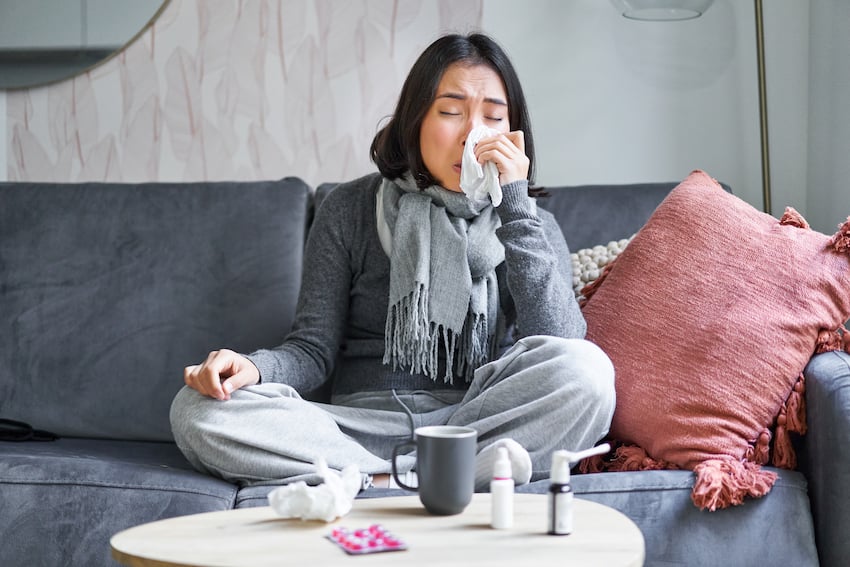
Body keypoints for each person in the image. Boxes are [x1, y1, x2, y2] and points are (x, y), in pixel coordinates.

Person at [170, 32, 615, 491]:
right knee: (194, 409)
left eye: (494, 117)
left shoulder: (530, 224)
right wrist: (253, 368)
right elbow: (311, 350)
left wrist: (516, 209)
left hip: (472, 424)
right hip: (353, 429)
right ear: (415, 120)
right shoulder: (349, 208)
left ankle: (398, 478)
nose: (473, 134)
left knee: (589, 373)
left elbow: (560, 346)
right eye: (450, 111)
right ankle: (406, 479)